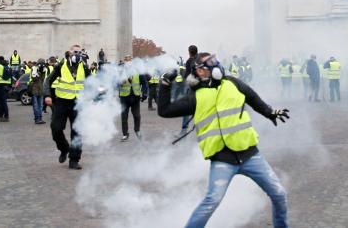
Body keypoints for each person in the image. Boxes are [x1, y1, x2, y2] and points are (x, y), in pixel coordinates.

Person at [157, 52, 290, 228]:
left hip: (250, 155)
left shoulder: (232, 83)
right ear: (199, 72)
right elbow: (164, 110)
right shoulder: (196, 97)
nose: (214, 64)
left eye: (214, 60)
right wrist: (165, 85)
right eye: (208, 63)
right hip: (222, 159)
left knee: (279, 193)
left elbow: (252, 97)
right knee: (211, 202)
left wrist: (269, 112)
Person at [44, 44, 90, 169]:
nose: (77, 54)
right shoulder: (61, 65)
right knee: (56, 128)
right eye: (75, 52)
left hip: (78, 104)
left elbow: (91, 83)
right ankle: (64, 148)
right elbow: (48, 80)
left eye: (80, 52)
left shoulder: (84, 66)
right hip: (61, 102)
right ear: (69, 53)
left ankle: (74, 160)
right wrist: (47, 95)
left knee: (77, 132)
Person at [118, 56, 148, 141]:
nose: (128, 62)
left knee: (137, 116)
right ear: (124, 61)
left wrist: (145, 93)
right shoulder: (120, 70)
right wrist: (120, 82)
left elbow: (144, 83)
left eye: (130, 60)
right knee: (124, 116)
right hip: (124, 97)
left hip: (135, 97)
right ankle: (125, 134)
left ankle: (137, 130)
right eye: (126, 60)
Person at [29, 58, 47, 125]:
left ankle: (40, 118)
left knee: (41, 106)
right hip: (35, 89)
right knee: (36, 106)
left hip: (41, 90)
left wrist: (42, 72)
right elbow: (34, 79)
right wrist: (38, 72)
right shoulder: (34, 68)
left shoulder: (44, 69)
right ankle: (37, 119)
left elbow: (43, 79)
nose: (42, 65)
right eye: (41, 64)